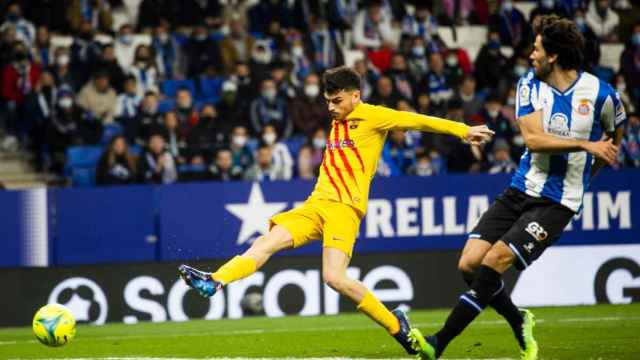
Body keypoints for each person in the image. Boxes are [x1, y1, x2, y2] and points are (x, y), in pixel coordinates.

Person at [178, 65, 493, 356]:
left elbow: (418, 121)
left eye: (337, 100)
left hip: (344, 209)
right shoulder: (337, 120)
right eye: (328, 101)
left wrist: (463, 130)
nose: (331, 107)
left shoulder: (373, 116)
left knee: (333, 277)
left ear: (356, 96)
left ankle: (397, 326)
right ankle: (216, 281)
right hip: (315, 204)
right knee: (265, 242)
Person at [410, 15, 626, 360]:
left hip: (558, 203)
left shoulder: (602, 94)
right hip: (521, 188)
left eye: (537, 49)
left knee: (494, 260)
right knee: (468, 265)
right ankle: (518, 319)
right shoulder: (530, 84)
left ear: (553, 55)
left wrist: (585, 176)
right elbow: (534, 140)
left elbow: (614, 137)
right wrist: (586, 146)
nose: (531, 55)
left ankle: (439, 343)